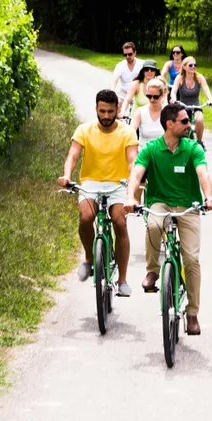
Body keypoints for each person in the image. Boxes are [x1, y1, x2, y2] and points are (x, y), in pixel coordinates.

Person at [125, 103, 212, 335]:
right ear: (170, 124)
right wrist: (130, 197)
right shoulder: (152, 149)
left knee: (192, 260)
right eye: (184, 121)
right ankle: (153, 270)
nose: (190, 125)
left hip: (188, 206)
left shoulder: (193, 148)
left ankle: (193, 313)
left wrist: (209, 197)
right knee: (154, 225)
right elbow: (136, 174)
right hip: (160, 202)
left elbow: (202, 173)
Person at [59, 89, 140, 297]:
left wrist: (132, 184)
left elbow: (133, 161)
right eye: (102, 111)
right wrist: (66, 176)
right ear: (96, 108)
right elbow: (72, 156)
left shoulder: (127, 132)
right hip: (91, 183)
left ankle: (122, 280)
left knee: (119, 222)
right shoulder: (84, 130)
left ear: (117, 110)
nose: (106, 116)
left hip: (118, 184)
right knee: (86, 217)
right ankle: (88, 258)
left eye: (110, 111)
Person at [169, 56, 212, 147]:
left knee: (199, 120)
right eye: (190, 65)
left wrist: (210, 100)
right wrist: (173, 98)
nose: (193, 67)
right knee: (182, 125)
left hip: (196, 106)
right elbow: (173, 91)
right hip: (183, 106)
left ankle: (199, 142)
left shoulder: (199, 78)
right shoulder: (180, 78)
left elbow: (206, 89)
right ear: (184, 67)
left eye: (195, 65)